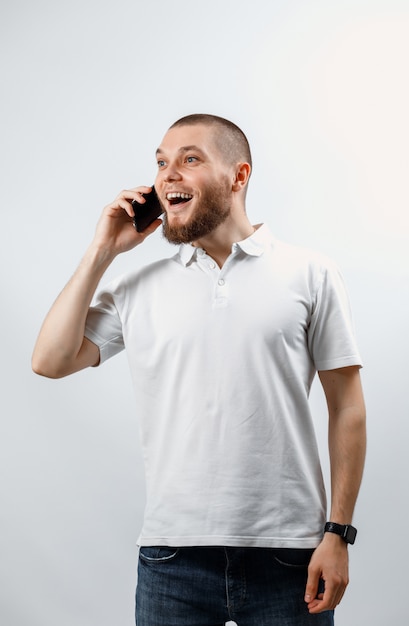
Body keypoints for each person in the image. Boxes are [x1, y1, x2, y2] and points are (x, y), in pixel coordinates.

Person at [32, 114, 366, 626]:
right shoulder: (136, 286)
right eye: (161, 162)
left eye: (190, 159)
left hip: (289, 555)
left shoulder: (310, 273)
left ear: (239, 176)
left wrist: (338, 534)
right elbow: (50, 361)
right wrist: (102, 251)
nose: (168, 175)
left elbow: (346, 408)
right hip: (172, 559)